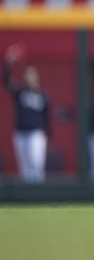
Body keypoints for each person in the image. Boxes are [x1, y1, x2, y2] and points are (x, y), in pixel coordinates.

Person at [2, 45, 51, 182]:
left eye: (32, 74)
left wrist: (49, 138)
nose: (30, 77)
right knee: (25, 168)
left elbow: (47, 118)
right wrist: (8, 63)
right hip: (21, 133)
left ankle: (39, 195)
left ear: (37, 77)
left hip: (36, 133)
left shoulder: (43, 95)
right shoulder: (20, 92)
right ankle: (28, 199)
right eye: (27, 74)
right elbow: (6, 82)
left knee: (36, 164)